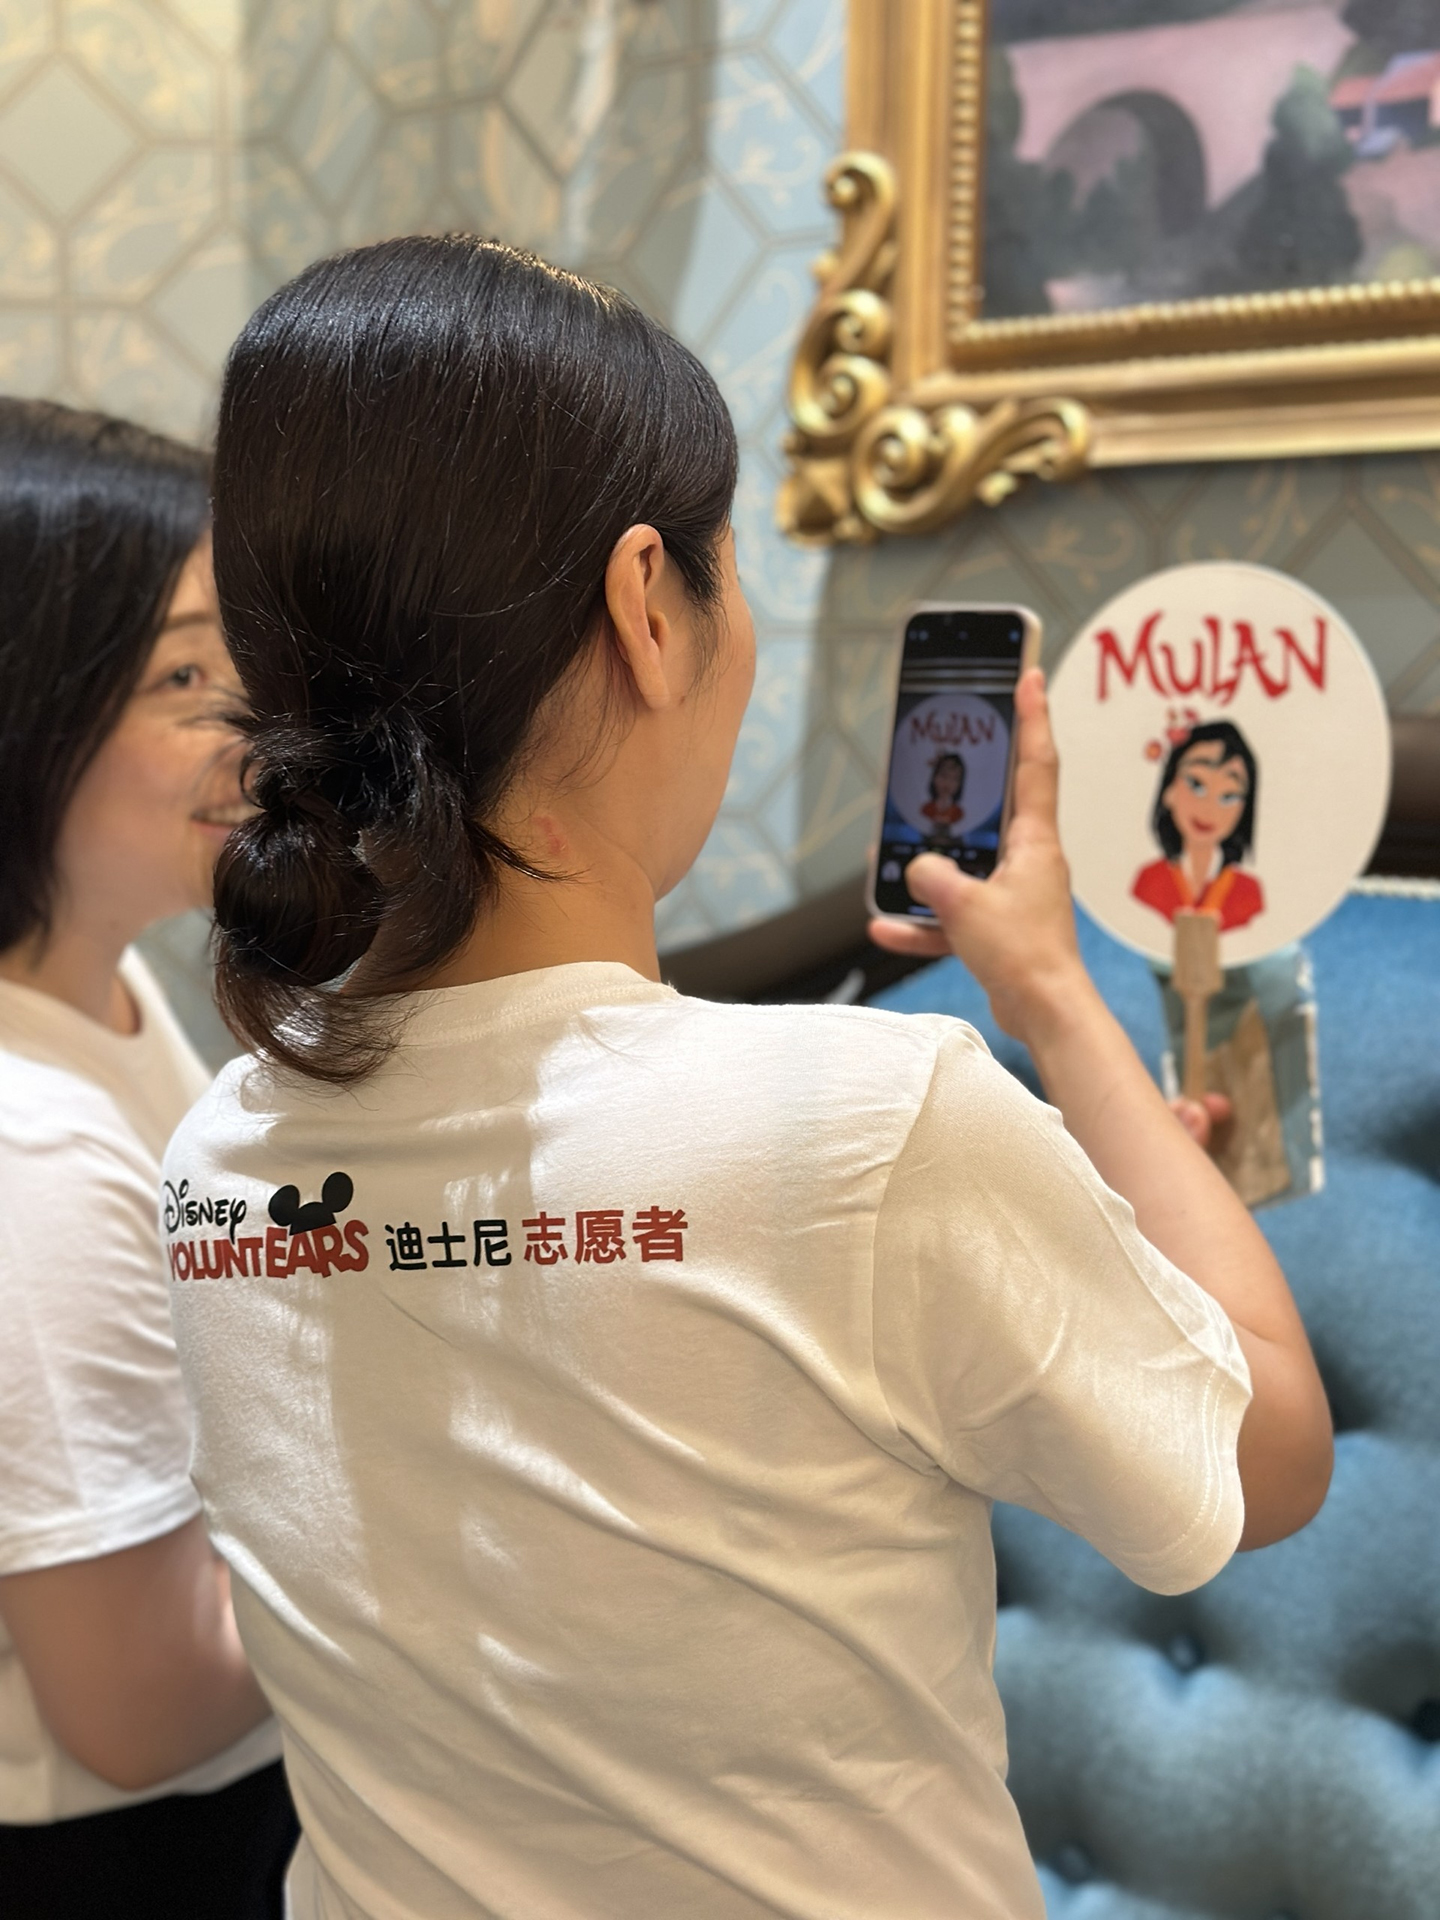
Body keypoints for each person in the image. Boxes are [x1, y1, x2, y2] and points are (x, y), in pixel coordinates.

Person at [162, 237, 1332, 1920]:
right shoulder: (866, 1123)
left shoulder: (214, 1163)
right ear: (649, 603)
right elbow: (1272, 1460)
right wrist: (1057, 992)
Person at [0, 401, 297, 1917]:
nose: (248, 734)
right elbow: (133, 1712)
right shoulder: (26, 1152)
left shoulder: (106, 989)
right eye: (186, 677)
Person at [1132, 719, 1265, 931]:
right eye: (1196, 785)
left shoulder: (1249, 893)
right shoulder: (1148, 881)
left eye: (1228, 797)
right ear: (1169, 790)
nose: (1208, 810)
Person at [920, 750, 966, 841]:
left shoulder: (959, 813)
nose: (947, 783)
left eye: (954, 778)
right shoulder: (926, 809)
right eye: (944, 776)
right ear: (934, 777)